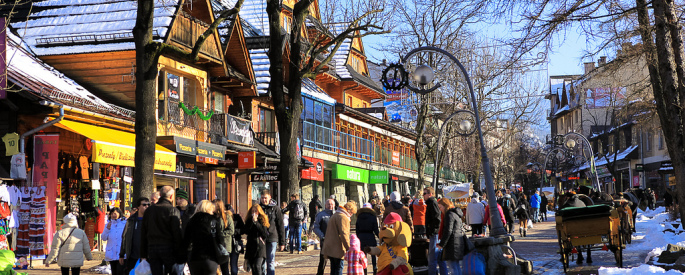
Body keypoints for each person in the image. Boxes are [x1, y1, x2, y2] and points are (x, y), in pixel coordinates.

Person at [141, 186, 184, 275]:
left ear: (160, 195)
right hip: (169, 248)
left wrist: (143, 254)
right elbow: (177, 233)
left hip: (152, 248)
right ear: (171, 196)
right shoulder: (173, 210)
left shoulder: (149, 211)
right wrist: (180, 254)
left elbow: (143, 232)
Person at [181, 200, 225, 275]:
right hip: (210, 257)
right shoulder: (214, 221)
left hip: (195, 257)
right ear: (209, 209)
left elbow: (186, 241)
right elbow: (220, 239)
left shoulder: (191, 221)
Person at [323, 201, 357, 275]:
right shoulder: (343, 217)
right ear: (349, 210)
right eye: (352, 213)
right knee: (339, 268)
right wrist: (349, 248)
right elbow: (344, 234)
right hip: (338, 247)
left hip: (330, 246)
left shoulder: (335, 214)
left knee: (333, 268)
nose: (351, 215)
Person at [119, 197, 150, 274]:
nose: (147, 206)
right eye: (144, 205)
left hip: (147, 257)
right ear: (138, 207)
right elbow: (124, 237)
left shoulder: (151, 220)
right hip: (133, 256)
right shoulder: (131, 220)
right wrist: (121, 254)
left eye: (148, 205)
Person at [259, 190, 285, 275]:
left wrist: (282, 242)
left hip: (272, 237)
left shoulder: (275, 208)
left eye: (265, 198)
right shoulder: (258, 208)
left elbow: (280, 225)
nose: (264, 200)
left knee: (270, 261)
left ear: (270, 197)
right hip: (261, 238)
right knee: (261, 261)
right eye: (262, 198)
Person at [436, 198, 464, 275]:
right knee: (456, 266)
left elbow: (448, 231)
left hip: (452, 244)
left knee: (453, 267)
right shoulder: (455, 213)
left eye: (440, 207)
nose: (440, 209)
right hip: (457, 242)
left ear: (445, 206)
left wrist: (441, 244)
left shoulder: (449, 214)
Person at [244, 204, 270, 275]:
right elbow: (246, 231)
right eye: (253, 211)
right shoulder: (249, 220)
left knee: (257, 266)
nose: (254, 213)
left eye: (256, 211)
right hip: (251, 247)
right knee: (253, 267)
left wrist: (256, 223)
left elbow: (264, 233)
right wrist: (252, 222)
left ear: (259, 212)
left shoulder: (262, 220)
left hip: (260, 247)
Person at [313, 199, 335, 275]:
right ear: (325, 205)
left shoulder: (336, 215)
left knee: (335, 260)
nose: (330, 206)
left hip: (335, 241)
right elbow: (315, 227)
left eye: (332, 204)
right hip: (325, 240)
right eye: (328, 204)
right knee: (323, 260)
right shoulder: (321, 215)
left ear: (334, 205)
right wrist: (322, 236)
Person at [356, 203, 379, 275]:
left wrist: (358, 237)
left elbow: (357, 229)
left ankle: (364, 269)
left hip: (361, 236)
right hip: (370, 236)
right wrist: (380, 237)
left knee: (363, 254)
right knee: (373, 254)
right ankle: (374, 268)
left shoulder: (359, 217)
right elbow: (375, 229)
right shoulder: (372, 217)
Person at [102, 207, 126, 275]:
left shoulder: (124, 224)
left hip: (121, 253)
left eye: (115, 213)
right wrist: (107, 229)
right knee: (114, 272)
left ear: (119, 214)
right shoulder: (108, 225)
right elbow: (103, 238)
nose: (113, 215)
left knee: (120, 271)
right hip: (111, 253)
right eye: (112, 213)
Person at [423, 187, 441, 275]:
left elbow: (437, 218)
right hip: (435, 233)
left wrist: (432, 230)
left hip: (434, 234)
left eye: (424, 193)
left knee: (432, 258)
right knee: (439, 259)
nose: (423, 196)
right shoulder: (431, 203)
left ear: (430, 194)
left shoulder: (432, 203)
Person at [213, 200, 234, 275]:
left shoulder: (227, 216)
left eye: (214, 205)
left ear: (218, 206)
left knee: (224, 267)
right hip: (214, 244)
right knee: (213, 267)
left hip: (224, 245)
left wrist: (221, 234)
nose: (212, 207)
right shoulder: (212, 216)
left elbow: (231, 230)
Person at [228, 205, 244, 275]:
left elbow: (243, 229)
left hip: (235, 243)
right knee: (229, 264)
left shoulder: (237, 217)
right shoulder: (223, 218)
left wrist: (235, 231)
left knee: (233, 263)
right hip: (227, 243)